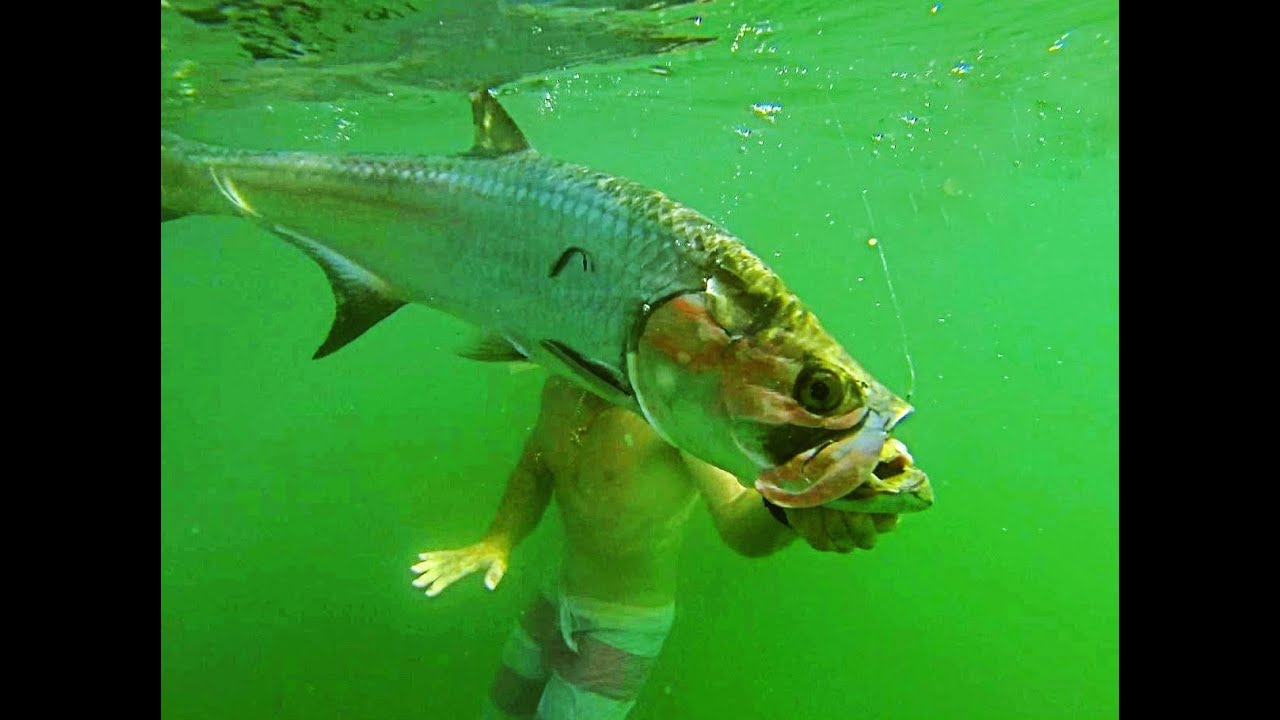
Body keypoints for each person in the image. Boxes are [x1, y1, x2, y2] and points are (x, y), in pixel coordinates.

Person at [410, 375, 899, 719]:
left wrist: (794, 503)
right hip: (552, 600)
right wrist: (497, 540)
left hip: (622, 629)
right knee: (498, 713)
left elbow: (736, 522)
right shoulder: (560, 386)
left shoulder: (674, 414)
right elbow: (534, 469)